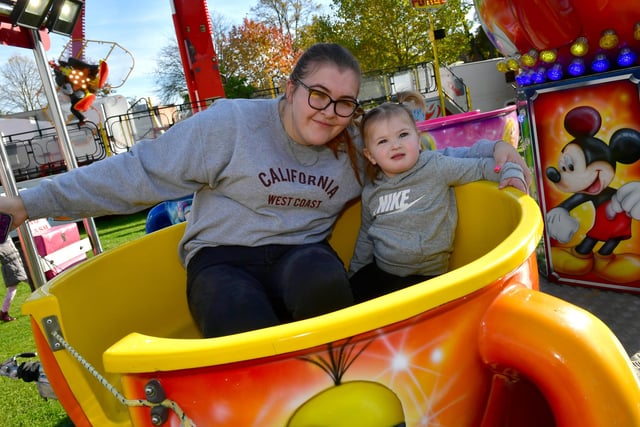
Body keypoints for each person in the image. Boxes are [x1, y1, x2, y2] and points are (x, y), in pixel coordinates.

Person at [0, 43, 530, 338]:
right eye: (317, 94)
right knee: (233, 315)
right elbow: (135, 174)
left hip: (303, 251)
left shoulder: (352, 148)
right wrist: (27, 203)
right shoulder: (229, 125)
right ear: (288, 87)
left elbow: (421, 160)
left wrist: (497, 153)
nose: (329, 112)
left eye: (344, 102)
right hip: (223, 257)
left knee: (322, 286)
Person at [349, 100, 527, 302]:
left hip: (427, 278)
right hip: (382, 272)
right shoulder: (372, 189)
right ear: (370, 155)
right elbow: (365, 234)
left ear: (418, 139)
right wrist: (355, 273)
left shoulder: (436, 167)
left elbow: (480, 167)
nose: (395, 145)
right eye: (383, 141)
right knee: (350, 297)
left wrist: (510, 172)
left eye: (403, 135)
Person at [0, 238, 29, 322]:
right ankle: (3, 313)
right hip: (12, 266)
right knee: (31, 283)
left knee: (12, 290)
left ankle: (3, 312)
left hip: (15, 264)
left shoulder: (5, 234)